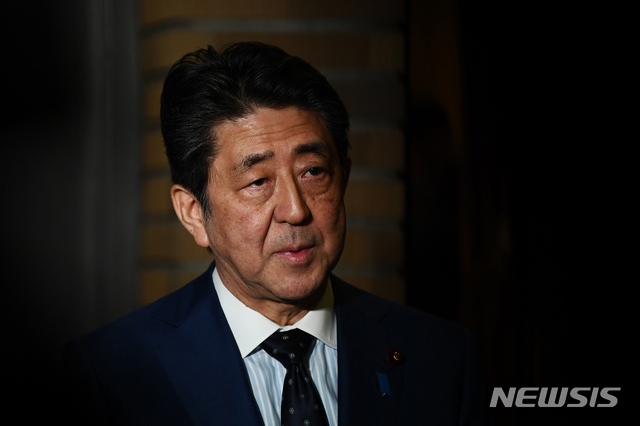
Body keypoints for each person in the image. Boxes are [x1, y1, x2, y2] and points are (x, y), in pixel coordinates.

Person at [64, 42, 489, 425]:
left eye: (313, 172)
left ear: (343, 179)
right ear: (194, 213)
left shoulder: (443, 358)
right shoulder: (110, 373)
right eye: (257, 182)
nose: (295, 210)